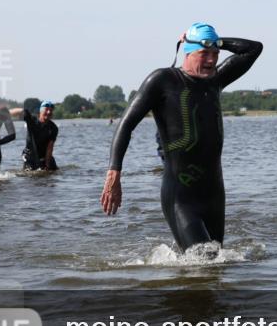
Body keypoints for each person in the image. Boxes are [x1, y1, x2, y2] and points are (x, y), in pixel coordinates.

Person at [100, 23, 263, 250]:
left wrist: (218, 41)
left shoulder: (215, 80)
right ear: (187, 52)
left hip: (215, 196)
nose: (211, 60)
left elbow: (253, 49)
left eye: (215, 54)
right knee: (204, 260)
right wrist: (114, 173)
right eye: (203, 53)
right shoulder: (162, 81)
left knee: (215, 268)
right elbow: (126, 125)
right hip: (181, 198)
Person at [10, 101, 59, 171]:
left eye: (51, 110)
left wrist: (47, 165)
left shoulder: (53, 128)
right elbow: (21, 111)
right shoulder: (32, 120)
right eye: (46, 110)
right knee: (30, 174)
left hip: (43, 155)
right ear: (41, 111)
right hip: (29, 154)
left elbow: (50, 147)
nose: (48, 112)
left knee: (54, 171)